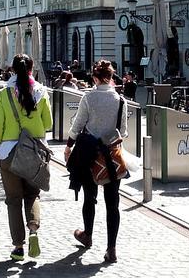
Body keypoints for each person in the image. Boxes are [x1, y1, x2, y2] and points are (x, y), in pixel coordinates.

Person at [64, 60, 128, 264]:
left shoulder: (89, 97)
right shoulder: (120, 100)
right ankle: (112, 248)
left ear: (95, 78)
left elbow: (78, 124)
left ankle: (88, 235)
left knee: (89, 197)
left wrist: (69, 145)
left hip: (90, 155)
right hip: (111, 156)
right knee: (113, 204)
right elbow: (123, 131)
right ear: (111, 77)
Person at [0, 54, 52, 261]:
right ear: (31, 68)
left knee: (13, 200)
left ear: (13, 70)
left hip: (9, 152)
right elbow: (48, 124)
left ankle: (18, 247)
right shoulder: (41, 92)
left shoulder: (3, 94)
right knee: (33, 194)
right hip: (33, 151)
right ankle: (34, 229)